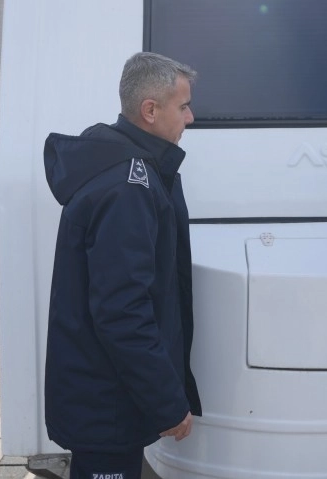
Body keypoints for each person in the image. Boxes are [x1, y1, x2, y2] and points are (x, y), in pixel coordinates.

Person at [42, 52, 202, 479]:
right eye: (183, 106)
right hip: (105, 406)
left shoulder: (128, 169)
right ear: (150, 110)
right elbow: (122, 311)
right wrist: (167, 402)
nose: (190, 117)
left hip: (104, 397)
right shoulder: (128, 187)